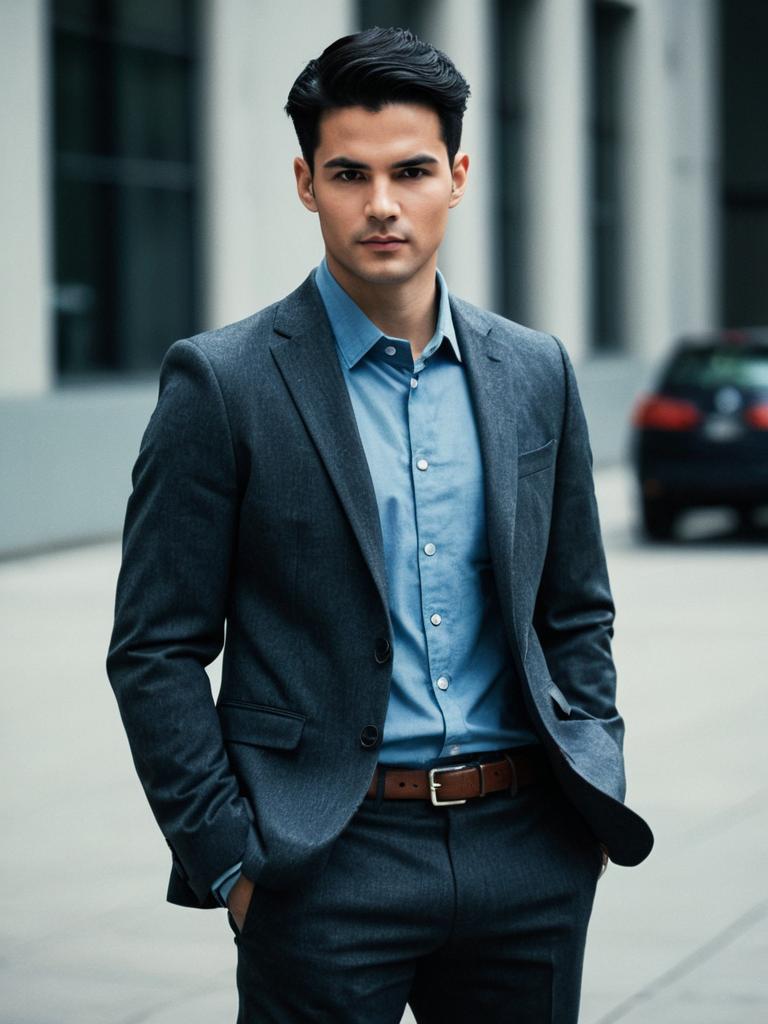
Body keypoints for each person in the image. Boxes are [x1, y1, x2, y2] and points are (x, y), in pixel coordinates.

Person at [107, 26, 653, 1023]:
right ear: (307, 184)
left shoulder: (535, 371)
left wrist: (592, 763)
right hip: (323, 862)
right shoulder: (222, 383)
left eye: (411, 170)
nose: (383, 204)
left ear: (458, 176)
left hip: (527, 854)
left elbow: (576, 607)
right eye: (349, 174)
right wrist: (230, 861)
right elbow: (155, 647)